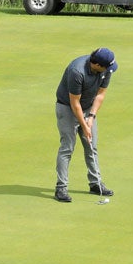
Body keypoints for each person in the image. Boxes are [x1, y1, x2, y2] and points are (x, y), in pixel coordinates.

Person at [54, 47, 117, 202]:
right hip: (67, 108)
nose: (109, 70)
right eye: (106, 67)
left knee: (91, 146)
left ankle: (95, 183)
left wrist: (91, 117)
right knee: (67, 148)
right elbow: (74, 102)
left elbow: (101, 94)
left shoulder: (106, 70)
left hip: (88, 107)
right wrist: (84, 124)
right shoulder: (77, 71)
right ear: (96, 64)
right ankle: (61, 188)